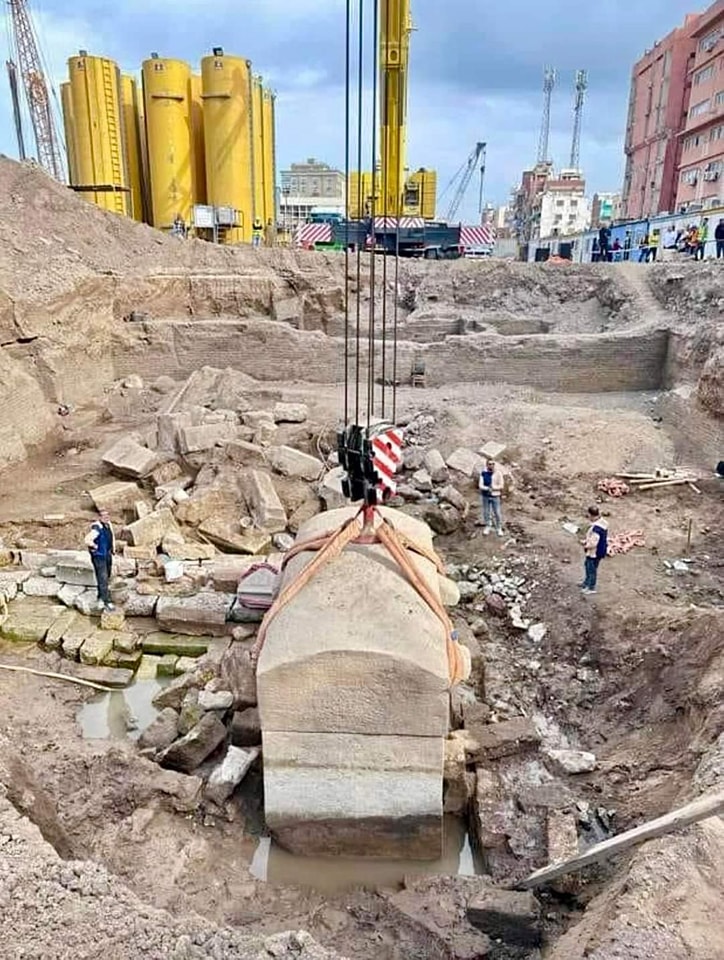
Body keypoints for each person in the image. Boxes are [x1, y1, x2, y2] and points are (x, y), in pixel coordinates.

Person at [84, 509, 115, 611]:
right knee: (103, 578)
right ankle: (107, 601)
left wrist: (113, 550)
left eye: (107, 516)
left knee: (107, 576)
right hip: (99, 556)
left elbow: (112, 538)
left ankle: (101, 597)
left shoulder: (108, 525)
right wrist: (95, 546)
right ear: (100, 517)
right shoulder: (97, 528)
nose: (106, 518)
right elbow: (87, 540)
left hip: (107, 555)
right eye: (104, 516)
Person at [580, 506, 608, 595]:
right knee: (589, 566)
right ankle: (586, 583)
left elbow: (593, 543)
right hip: (600, 550)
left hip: (594, 552)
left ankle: (591, 586)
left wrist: (585, 544)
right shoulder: (603, 524)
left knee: (591, 569)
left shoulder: (597, 529)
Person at [479, 458, 505, 537]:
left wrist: (493, 488)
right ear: (487, 465)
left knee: (497, 512)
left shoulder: (498, 473)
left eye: (493, 464)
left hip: (495, 495)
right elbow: (480, 485)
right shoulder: (483, 473)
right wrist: (487, 488)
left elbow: (501, 485)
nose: (491, 465)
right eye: (490, 464)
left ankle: (499, 527)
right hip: (486, 495)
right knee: (486, 512)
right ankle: (488, 525)